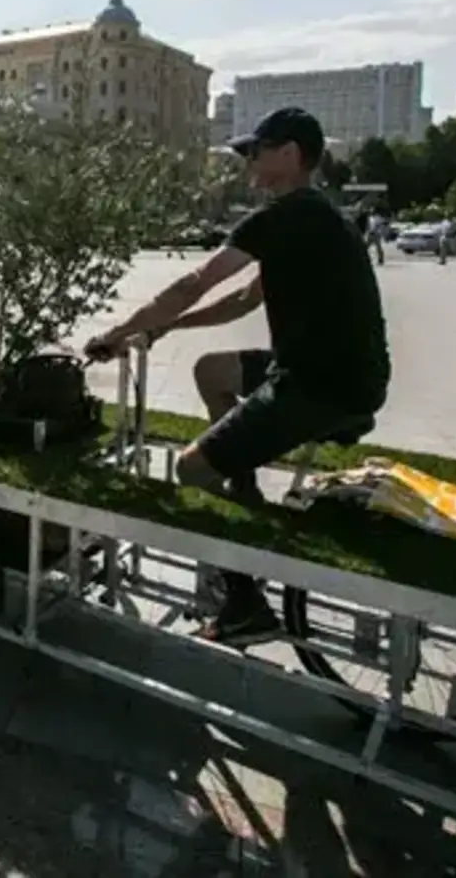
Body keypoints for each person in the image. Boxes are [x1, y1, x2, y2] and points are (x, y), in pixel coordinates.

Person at [85, 107, 391, 646]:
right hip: (339, 372)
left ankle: (246, 604)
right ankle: (242, 491)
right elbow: (244, 300)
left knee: (190, 469)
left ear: (290, 154)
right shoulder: (317, 215)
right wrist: (166, 328)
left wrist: (118, 331)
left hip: (319, 385)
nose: (247, 162)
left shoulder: (283, 217)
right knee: (213, 371)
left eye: (256, 151)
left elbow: (195, 282)